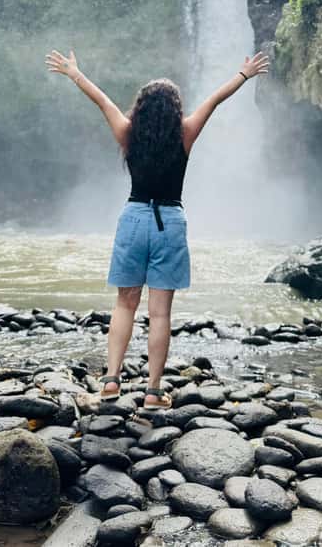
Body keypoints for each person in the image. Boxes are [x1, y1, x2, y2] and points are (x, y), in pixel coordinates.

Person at [44, 48, 269, 409]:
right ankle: (152, 391)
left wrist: (74, 73)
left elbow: (102, 100)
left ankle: (111, 381)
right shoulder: (185, 133)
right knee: (160, 312)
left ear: (141, 108)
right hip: (170, 222)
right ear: (175, 110)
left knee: (124, 304)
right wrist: (244, 75)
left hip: (133, 219)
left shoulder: (127, 133)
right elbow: (214, 100)